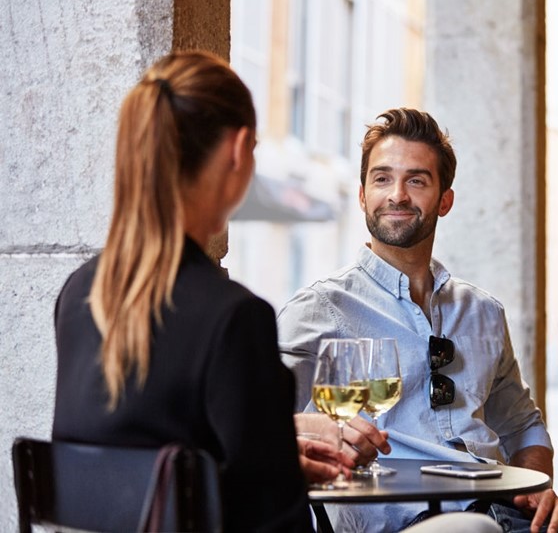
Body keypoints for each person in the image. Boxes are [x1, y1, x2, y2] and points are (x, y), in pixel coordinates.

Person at [50, 50, 347, 532]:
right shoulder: (234, 317)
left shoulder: (80, 296)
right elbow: (279, 524)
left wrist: (266, 458)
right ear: (239, 148)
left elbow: (143, 452)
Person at [279, 108, 558, 533]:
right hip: (401, 523)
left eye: (416, 180)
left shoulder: (483, 312)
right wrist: (318, 429)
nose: (397, 194)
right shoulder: (320, 309)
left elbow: (523, 426)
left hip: (504, 516)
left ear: (445, 200)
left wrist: (539, 490)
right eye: (382, 179)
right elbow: (251, 426)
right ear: (362, 195)